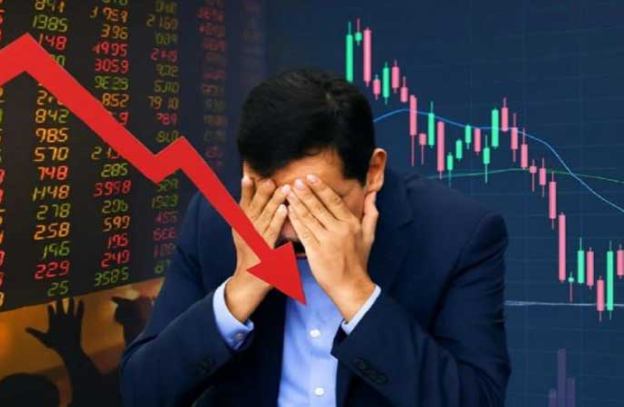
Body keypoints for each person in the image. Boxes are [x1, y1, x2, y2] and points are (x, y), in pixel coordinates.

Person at [120, 68, 511, 407]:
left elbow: (475, 399)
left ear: (373, 172)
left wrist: (357, 294)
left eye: (320, 201)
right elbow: (142, 392)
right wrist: (240, 290)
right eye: (275, 200)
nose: (292, 229)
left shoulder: (459, 234)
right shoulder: (214, 220)